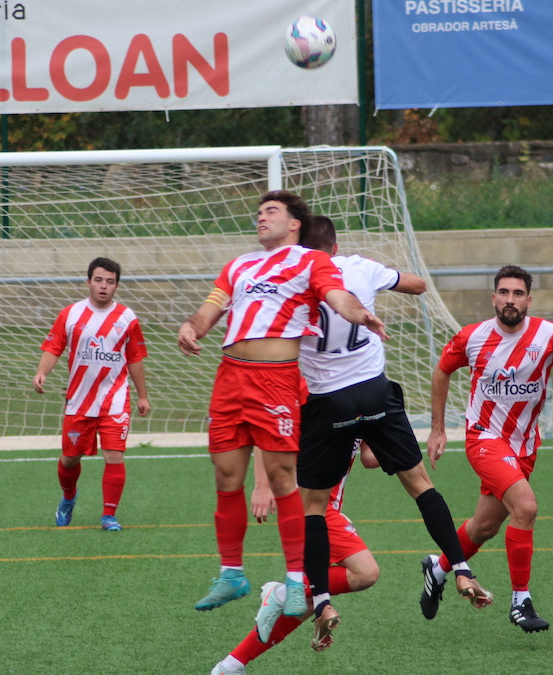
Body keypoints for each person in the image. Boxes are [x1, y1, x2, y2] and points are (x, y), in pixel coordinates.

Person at [177, 190, 386, 615]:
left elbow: (337, 296)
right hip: (230, 377)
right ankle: (231, 574)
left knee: (282, 478)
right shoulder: (238, 265)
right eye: (258, 212)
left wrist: (359, 313)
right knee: (226, 475)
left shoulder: (311, 261)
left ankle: (293, 581)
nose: (260, 217)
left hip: (275, 381)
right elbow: (210, 308)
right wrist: (191, 327)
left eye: (270, 211)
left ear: (294, 223)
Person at [292, 215, 492, 650]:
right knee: (420, 484)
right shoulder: (360, 267)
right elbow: (417, 285)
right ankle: (460, 569)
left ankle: (322, 601)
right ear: (335, 245)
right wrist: (385, 281)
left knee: (313, 506)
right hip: (374, 393)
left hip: (328, 402)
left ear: (299, 247)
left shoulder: (292, 277)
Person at [426, 265, 553, 634]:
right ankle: (521, 601)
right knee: (526, 507)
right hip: (484, 438)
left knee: (484, 527)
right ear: (493, 298)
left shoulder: (550, 336)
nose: (510, 300)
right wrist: (438, 429)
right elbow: (442, 371)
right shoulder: (472, 337)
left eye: (517, 294)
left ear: (528, 300)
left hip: (524, 446)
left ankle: (437, 568)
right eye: (503, 292)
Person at [210, 443, 380, 674]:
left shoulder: (364, 419)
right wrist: (263, 486)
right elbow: (266, 435)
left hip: (325, 505)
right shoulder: (319, 416)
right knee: (366, 572)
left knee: (307, 601)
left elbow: (369, 457)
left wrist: (396, 446)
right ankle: (283, 593)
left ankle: (231, 666)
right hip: (308, 503)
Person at [34, 257, 150, 532]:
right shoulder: (71, 314)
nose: (104, 286)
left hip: (115, 399)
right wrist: (41, 372)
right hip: (79, 400)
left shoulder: (127, 318)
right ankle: (68, 497)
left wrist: (143, 395)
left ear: (116, 285)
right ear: (88, 282)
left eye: (110, 281)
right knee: (70, 459)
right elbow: (54, 347)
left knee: (114, 455)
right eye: (98, 280)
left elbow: (135, 358)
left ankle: (109, 515)